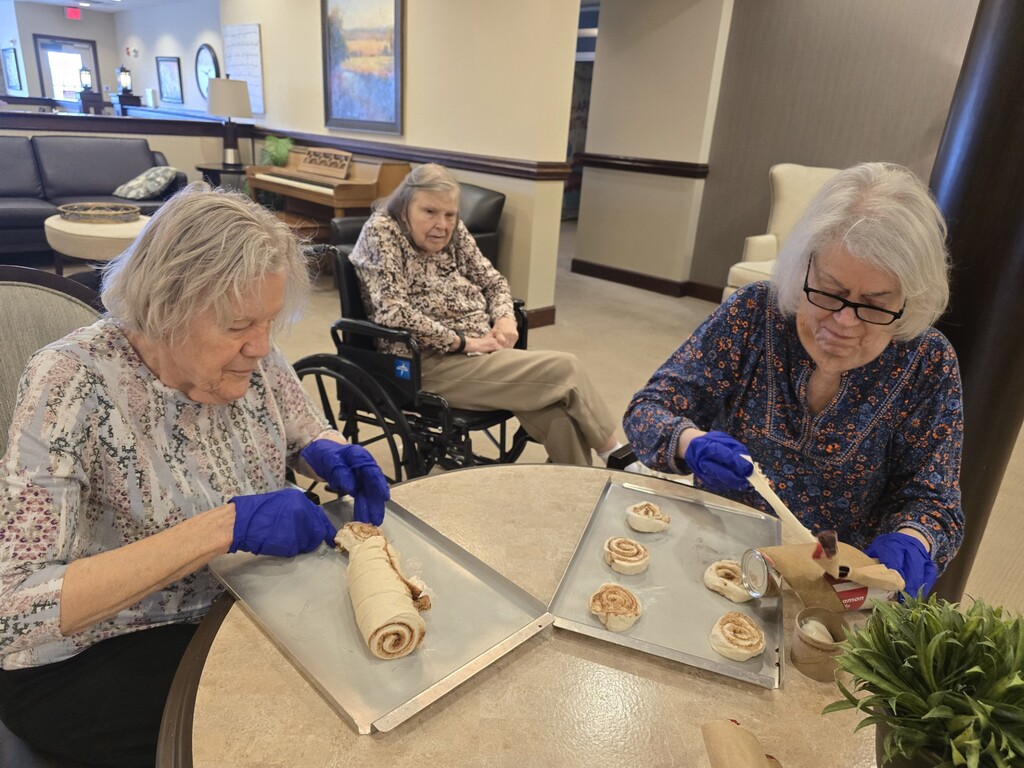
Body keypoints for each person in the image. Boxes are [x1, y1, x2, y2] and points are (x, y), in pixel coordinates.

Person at [0, 183, 390, 766]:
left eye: (270, 321)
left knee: (359, 682)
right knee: (302, 724)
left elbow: (303, 428)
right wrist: (223, 528)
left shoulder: (254, 354)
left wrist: (330, 451)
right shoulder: (70, 381)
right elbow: (14, 609)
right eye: (239, 325)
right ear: (165, 309)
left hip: (229, 606)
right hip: (96, 651)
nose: (261, 346)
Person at [624, 162, 963, 598]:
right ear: (803, 269)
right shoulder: (754, 314)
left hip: (837, 582)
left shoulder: (926, 362)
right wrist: (691, 443)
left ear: (908, 301)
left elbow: (934, 500)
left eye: (874, 304)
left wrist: (913, 540)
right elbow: (648, 410)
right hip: (719, 550)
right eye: (830, 291)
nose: (844, 322)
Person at [349, 163, 621, 466]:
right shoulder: (382, 231)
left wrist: (505, 318)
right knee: (566, 369)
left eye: (450, 214)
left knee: (556, 412)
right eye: (430, 212)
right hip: (422, 363)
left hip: (481, 351)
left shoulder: (453, 230)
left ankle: (581, 487)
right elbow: (393, 312)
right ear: (404, 207)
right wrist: (463, 342)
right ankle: (619, 456)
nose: (442, 224)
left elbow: (493, 282)